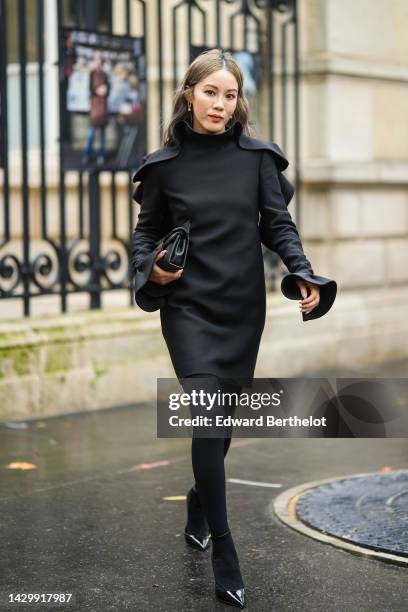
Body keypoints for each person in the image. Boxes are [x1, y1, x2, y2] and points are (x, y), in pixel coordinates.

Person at [130, 48, 337, 609]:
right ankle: (225, 547)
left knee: (219, 426)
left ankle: (201, 501)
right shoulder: (163, 166)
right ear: (189, 95)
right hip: (189, 308)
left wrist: (301, 270)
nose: (220, 104)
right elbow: (144, 236)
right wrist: (154, 268)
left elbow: (278, 224)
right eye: (210, 92)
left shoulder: (258, 160)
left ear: (237, 101)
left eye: (230, 94)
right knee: (203, 412)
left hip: (242, 308)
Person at [83, 51, 110, 165]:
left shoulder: (105, 74)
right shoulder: (91, 73)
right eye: (96, 59)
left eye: (99, 59)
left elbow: (109, 89)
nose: (98, 61)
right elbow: (89, 89)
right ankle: (87, 156)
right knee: (91, 134)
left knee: (103, 135)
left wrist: (106, 90)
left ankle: (101, 156)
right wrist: (97, 91)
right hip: (95, 107)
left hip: (103, 107)